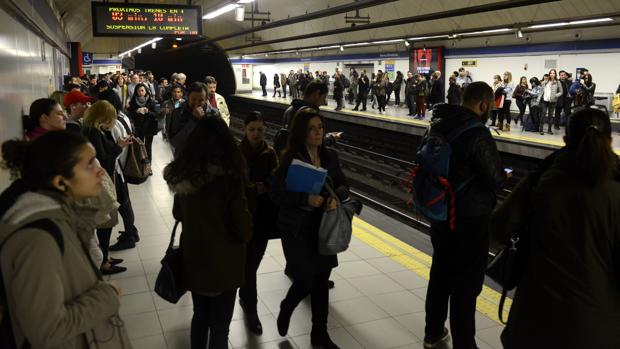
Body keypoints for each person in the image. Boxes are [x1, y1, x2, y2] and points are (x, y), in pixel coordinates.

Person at [489, 108, 620, 349]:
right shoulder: (616, 191)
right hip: (598, 327)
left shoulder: (541, 180)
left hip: (534, 319)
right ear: (609, 141)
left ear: (565, 139)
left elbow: (498, 229)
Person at [0, 131, 131, 349]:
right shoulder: (38, 240)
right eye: (89, 165)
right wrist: (107, 295)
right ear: (60, 182)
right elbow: (49, 330)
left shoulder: (64, 217)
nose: (99, 171)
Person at [423, 82, 508, 349]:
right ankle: (464, 344)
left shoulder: (437, 123)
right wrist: (502, 176)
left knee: (440, 274)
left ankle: (433, 333)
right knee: (465, 285)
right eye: (490, 107)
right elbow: (495, 180)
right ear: (483, 104)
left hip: (440, 213)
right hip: (469, 219)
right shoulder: (477, 132)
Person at [164, 117, 252, 349]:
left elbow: (177, 214)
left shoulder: (184, 177)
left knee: (200, 317)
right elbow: (243, 229)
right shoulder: (230, 179)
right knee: (220, 326)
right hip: (225, 263)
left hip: (194, 257)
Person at [271, 108, 349, 349]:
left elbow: (344, 185)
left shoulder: (330, 157)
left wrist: (337, 198)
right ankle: (288, 306)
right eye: (312, 129)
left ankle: (320, 334)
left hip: (322, 226)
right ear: (302, 133)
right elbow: (277, 194)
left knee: (321, 279)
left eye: (320, 128)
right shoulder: (290, 159)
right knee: (305, 278)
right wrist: (305, 199)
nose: (318, 133)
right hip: (297, 228)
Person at [237, 111, 279, 336]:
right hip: (243, 216)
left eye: (260, 130)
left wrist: (268, 184)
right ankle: (250, 308)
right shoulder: (236, 153)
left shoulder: (270, 153)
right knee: (249, 264)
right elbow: (234, 185)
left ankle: (245, 295)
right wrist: (256, 188)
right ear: (245, 130)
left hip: (264, 217)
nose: (255, 134)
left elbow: (277, 177)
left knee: (254, 260)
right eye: (251, 129)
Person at [82, 100, 132, 275]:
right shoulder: (94, 132)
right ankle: (104, 261)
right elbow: (105, 160)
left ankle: (105, 257)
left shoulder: (93, 129)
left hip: (100, 179)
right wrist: (119, 147)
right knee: (105, 222)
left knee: (106, 221)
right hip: (102, 180)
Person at [98, 89, 142, 251]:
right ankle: (132, 232)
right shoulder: (123, 116)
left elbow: (116, 146)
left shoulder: (113, 122)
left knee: (123, 203)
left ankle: (130, 235)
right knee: (125, 202)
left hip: (118, 168)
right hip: (123, 165)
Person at [168, 82, 220, 157]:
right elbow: (174, 142)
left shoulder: (213, 114)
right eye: (194, 99)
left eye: (201, 100)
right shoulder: (178, 113)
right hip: (184, 160)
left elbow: (218, 140)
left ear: (206, 99)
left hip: (206, 160)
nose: (197, 103)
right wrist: (193, 120)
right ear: (188, 97)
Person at [127, 82, 158, 160]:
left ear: (146, 91)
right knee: (139, 146)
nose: (141, 93)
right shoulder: (133, 102)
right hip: (138, 128)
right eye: (139, 91)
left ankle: (148, 165)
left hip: (149, 127)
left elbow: (156, 114)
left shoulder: (151, 101)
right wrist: (136, 111)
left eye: (142, 90)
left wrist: (148, 112)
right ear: (136, 92)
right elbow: (130, 115)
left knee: (148, 147)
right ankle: (140, 163)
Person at [539, 69, 563, 135]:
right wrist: (538, 100)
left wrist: (555, 95)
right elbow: (541, 92)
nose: (552, 74)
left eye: (553, 73)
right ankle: (541, 129)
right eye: (551, 73)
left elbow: (561, 92)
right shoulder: (545, 82)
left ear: (555, 74)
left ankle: (549, 130)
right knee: (543, 114)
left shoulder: (558, 82)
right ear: (549, 74)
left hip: (553, 101)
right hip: (545, 100)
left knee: (550, 116)